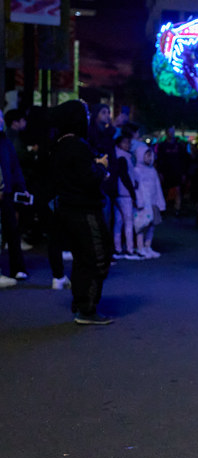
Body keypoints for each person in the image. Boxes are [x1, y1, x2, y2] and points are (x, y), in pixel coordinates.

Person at [49, 101, 114, 324]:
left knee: (82, 259)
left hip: (69, 209)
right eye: (85, 114)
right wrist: (102, 166)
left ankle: (81, 301)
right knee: (97, 258)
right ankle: (87, 308)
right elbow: (90, 178)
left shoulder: (59, 144)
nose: (88, 118)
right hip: (85, 210)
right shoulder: (76, 145)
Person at [0, 109, 29, 281]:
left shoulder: (5, 141)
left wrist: (22, 187)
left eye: (1, 117)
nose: (1, 120)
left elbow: (15, 166)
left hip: (6, 193)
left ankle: (17, 268)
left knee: (12, 231)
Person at [112, 128, 142, 260]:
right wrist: (132, 192)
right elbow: (125, 177)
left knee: (118, 222)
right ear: (119, 144)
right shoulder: (124, 157)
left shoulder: (117, 155)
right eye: (126, 143)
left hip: (117, 193)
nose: (128, 145)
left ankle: (117, 248)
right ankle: (129, 249)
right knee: (128, 222)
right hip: (125, 194)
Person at [134, 144, 166, 258]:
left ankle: (148, 246)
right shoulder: (136, 171)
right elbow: (136, 188)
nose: (149, 158)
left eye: (150, 155)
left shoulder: (153, 171)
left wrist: (160, 203)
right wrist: (139, 201)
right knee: (142, 226)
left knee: (152, 226)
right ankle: (140, 247)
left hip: (153, 203)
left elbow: (157, 187)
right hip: (143, 203)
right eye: (146, 155)